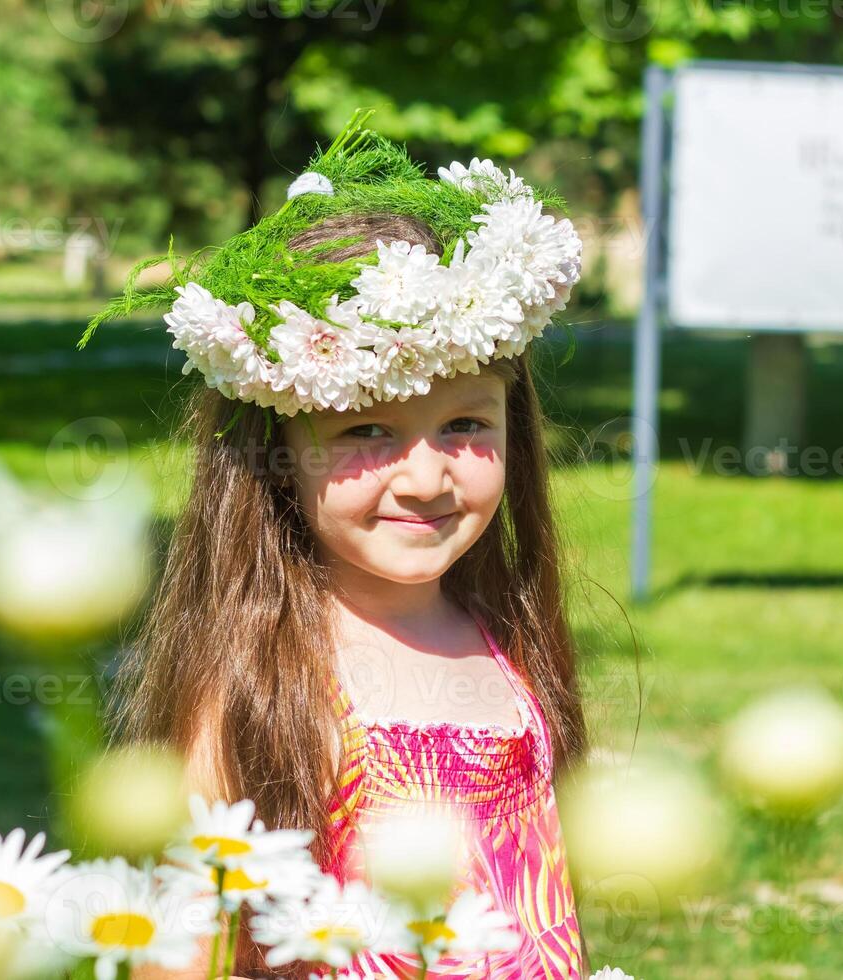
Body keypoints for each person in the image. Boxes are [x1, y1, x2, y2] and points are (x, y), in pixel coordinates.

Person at [103, 110, 591, 979]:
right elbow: (180, 949)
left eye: (466, 424)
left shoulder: (510, 649)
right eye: (367, 428)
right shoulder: (266, 681)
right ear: (277, 452)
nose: (427, 477)